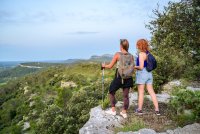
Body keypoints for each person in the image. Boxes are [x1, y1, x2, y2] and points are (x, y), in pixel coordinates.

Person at [102, 39, 134, 118]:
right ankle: (124, 112)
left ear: (121, 46)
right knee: (126, 96)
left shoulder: (117, 54)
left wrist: (103, 66)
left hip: (119, 77)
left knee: (111, 91)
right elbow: (132, 67)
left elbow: (110, 66)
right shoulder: (131, 56)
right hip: (128, 78)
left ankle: (113, 110)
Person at [134, 39, 160, 115]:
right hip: (149, 73)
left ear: (140, 45)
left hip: (142, 73)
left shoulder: (141, 54)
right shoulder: (148, 53)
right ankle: (157, 110)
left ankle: (139, 110)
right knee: (151, 91)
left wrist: (133, 66)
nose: (136, 46)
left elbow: (141, 67)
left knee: (141, 92)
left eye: (137, 44)